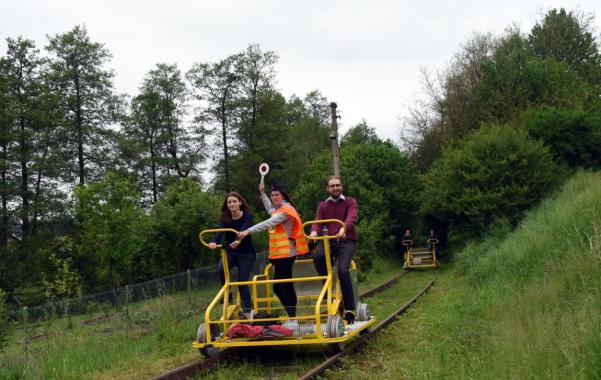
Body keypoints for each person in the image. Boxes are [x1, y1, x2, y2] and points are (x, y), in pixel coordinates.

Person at [238, 181, 309, 321]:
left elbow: (268, 222)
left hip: (286, 254)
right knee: (287, 286)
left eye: (276, 195)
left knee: (278, 288)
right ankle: (293, 318)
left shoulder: (286, 211)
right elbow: (270, 211)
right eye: (272, 195)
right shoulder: (281, 209)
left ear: (283, 196)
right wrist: (263, 194)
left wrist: (248, 231)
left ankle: (292, 318)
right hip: (282, 254)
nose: (273, 197)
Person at [310, 175, 358, 324]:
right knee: (317, 256)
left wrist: (344, 229)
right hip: (328, 241)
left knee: (343, 270)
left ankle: (350, 308)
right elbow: (317, 222)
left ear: (341, 186)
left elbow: (352, 217)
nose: (335, 188)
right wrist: (313, 232)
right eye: (332, 186)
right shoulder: (323, 206)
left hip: (345, 240)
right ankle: (328, 287)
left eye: (337, 185)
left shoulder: (350, 202)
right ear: (328, 188)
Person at [208, 192, 256, 319]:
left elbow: (245, 228)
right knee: (221, 269)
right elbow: (219, 232)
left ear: (240, 202)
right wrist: (213, 241)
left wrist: (238, 240)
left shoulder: (247, 216)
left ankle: (247, 310)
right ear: (227, 205)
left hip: (246, 253)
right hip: (231, 251)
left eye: (234, 201)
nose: (232, 204)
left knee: (242, 282)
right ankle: (227, 293)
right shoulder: (225, 217)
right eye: (229, 202)